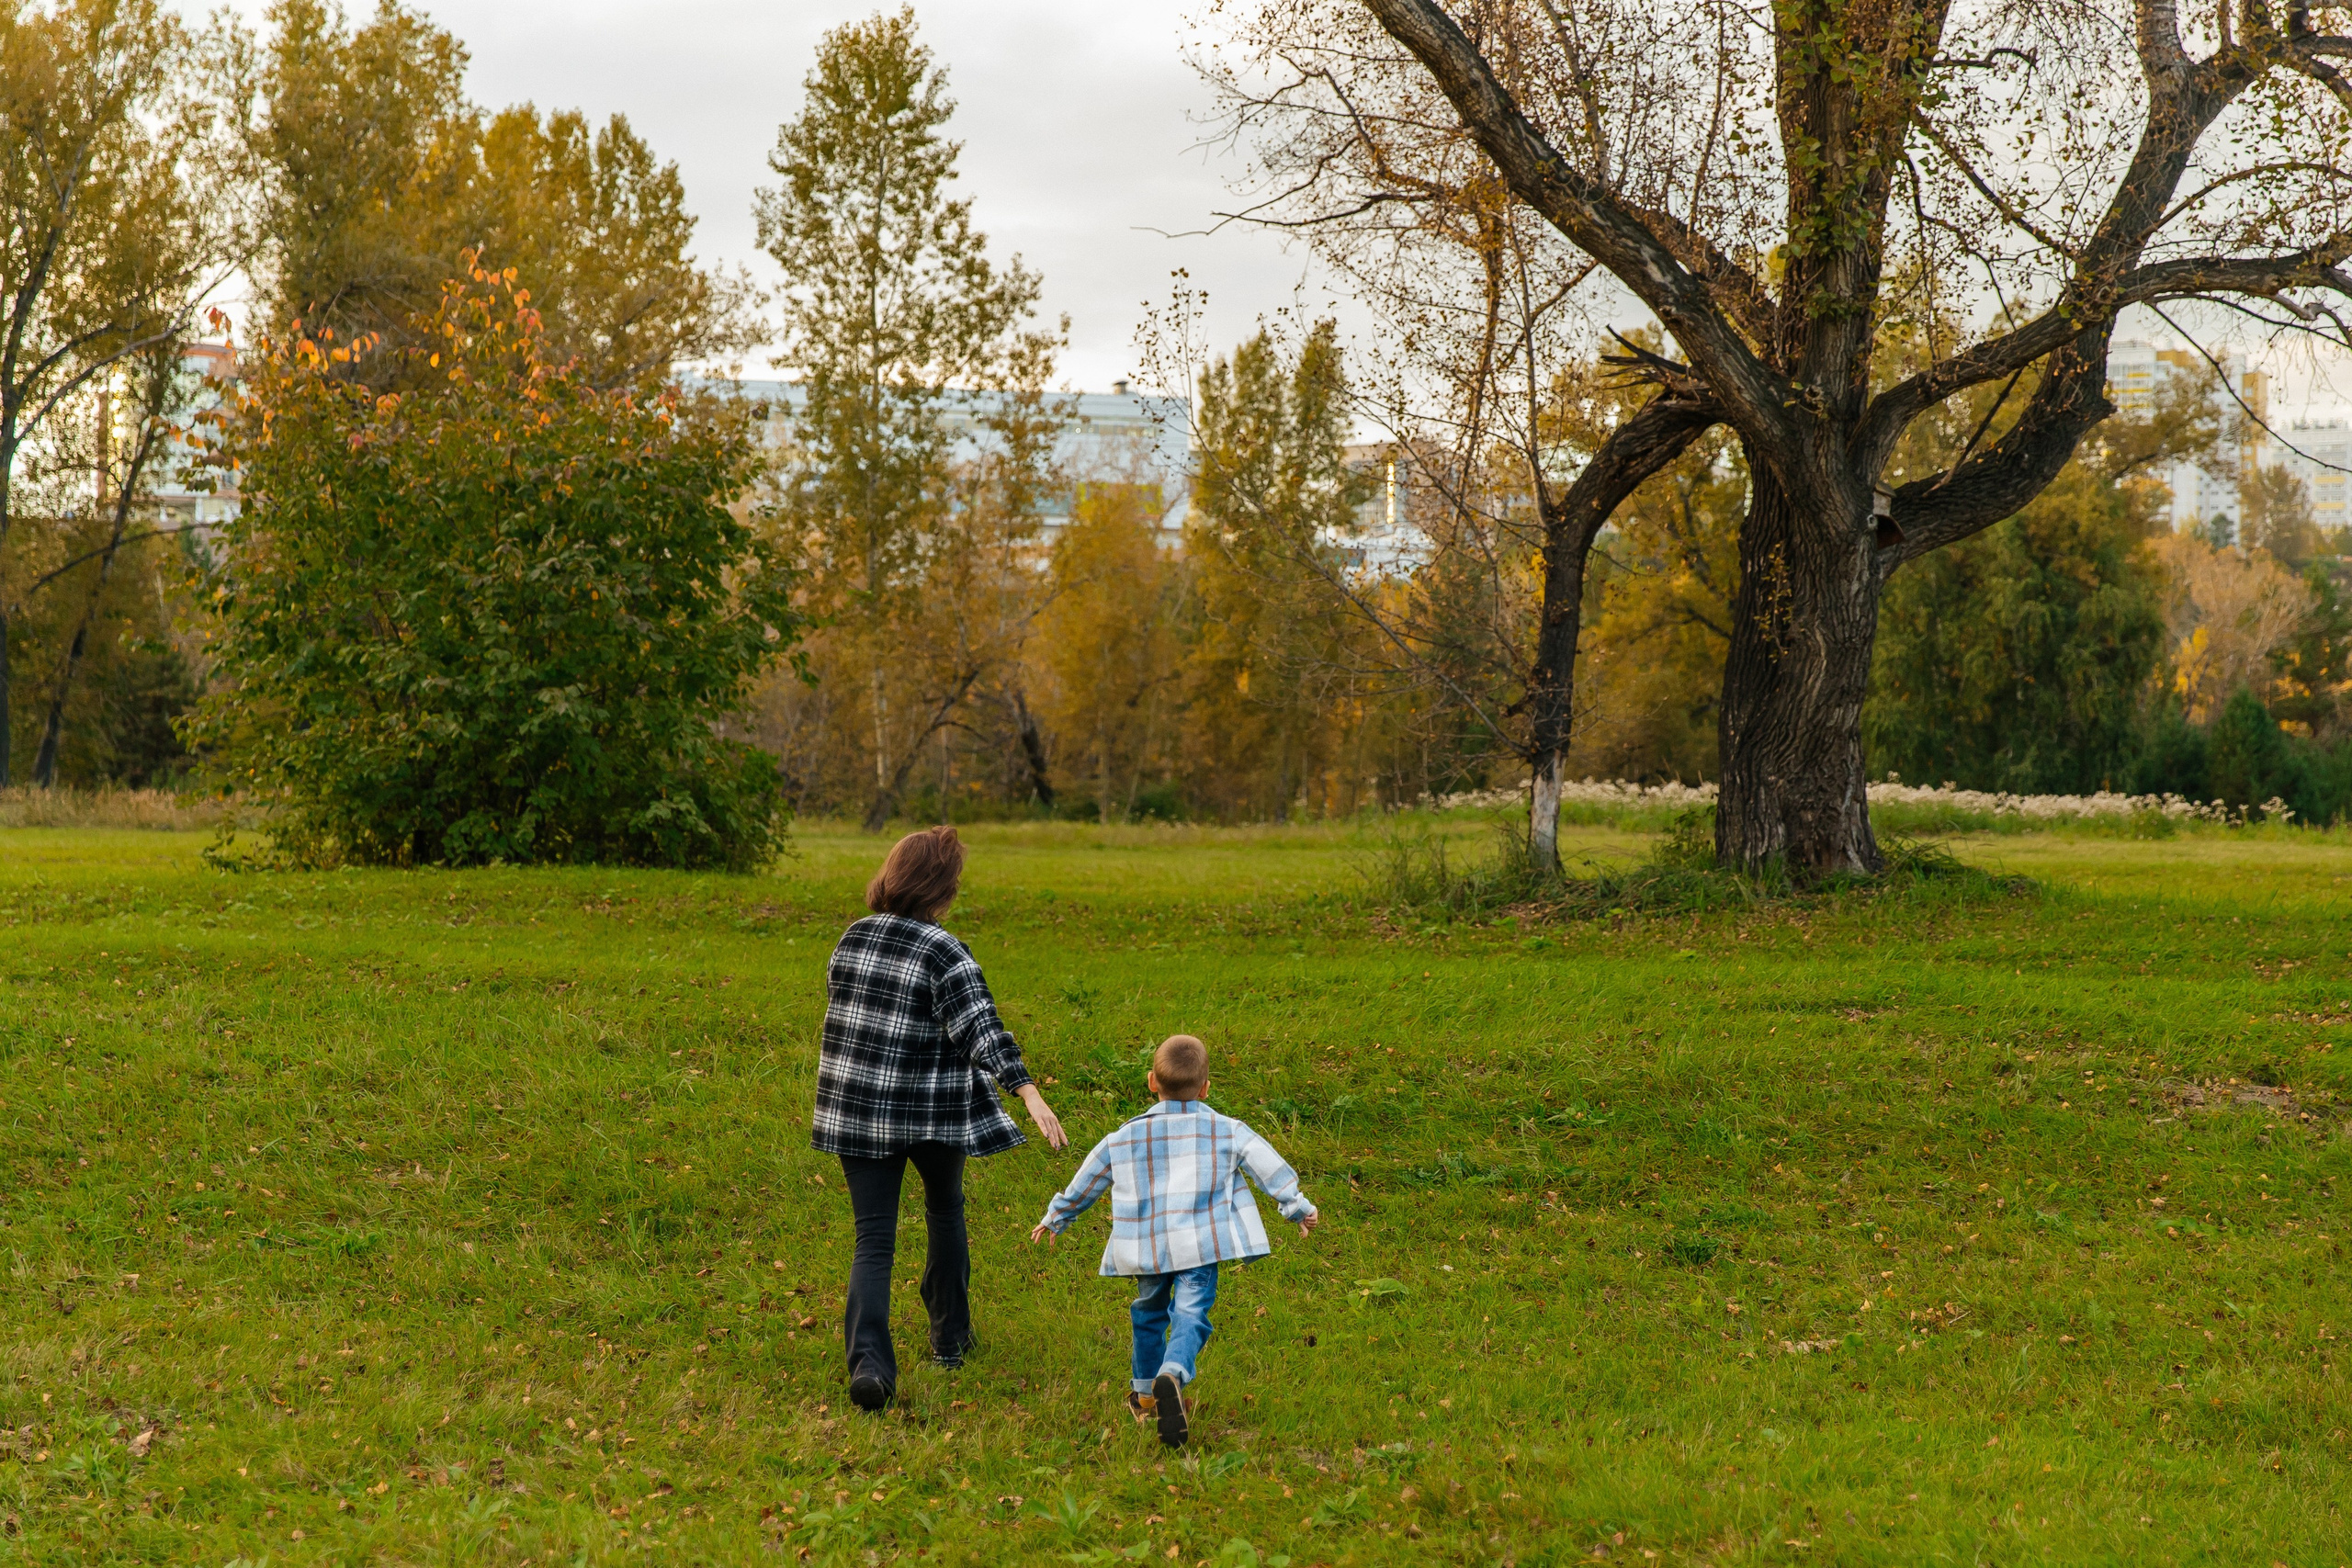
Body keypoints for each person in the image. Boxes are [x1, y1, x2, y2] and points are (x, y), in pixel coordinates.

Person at [812, 826, 1065, 1412]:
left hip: (860, 1111)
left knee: (872, 1239)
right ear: (942, 888)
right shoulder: (944, 949)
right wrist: (1026, 1091)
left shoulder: (853, 937)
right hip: (932, 1111)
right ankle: (950, 1340)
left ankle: (871, 1367)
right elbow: (981, 1029)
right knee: (944, 1210)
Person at [1029, 1033, 1318, 1448]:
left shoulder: (1123, 1137)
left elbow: (1088, 1179)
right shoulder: (1228, 1131)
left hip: (1148, 1249)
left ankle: (1146, 1393)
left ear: (1151, 1082)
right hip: (1201, 1247)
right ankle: (1175, 1372)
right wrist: (1297, 1208)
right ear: (1206, 1088)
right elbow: (1268, 1168)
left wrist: (1056, 1217)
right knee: (1191, 1314)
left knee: (1148, 1313)